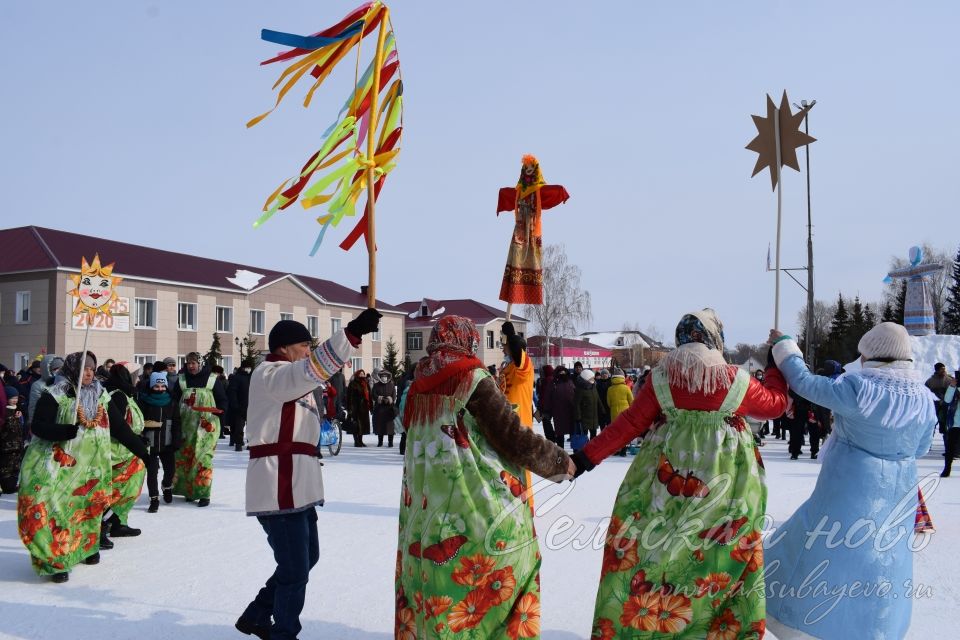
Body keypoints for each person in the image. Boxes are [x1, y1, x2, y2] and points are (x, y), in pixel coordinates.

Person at [571, 309, 787, 638]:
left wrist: (586, 457)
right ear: (715, 339)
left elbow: (629, 423)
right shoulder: (734, 380)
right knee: (719, 558)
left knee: (654, 555)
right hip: (725, 489)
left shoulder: (662, 378)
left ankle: (650, 626)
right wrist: (775, 367)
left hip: (663, 487)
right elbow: (775, 404)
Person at [395, 316, 574, 639]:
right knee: (503, 575)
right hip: (474, 508)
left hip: (425, 513)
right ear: (467, 341)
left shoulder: (414, 386)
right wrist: (560, 462)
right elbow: (512, 437)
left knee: (436, 586)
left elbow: (404, 428)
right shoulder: (471, 379)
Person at [765, 323, 936, 639]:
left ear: (871, 352)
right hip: (899, 495)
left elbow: (804, 382)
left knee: (818, 549)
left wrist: (785, 346)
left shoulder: (860, 389)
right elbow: (923, 447)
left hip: (850, 488)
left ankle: (800, 620)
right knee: (882, 564)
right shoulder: (924, 399)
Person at [236, 310, 381, 640]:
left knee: (305, 559)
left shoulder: (293, 377)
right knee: (294, 568)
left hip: (296, 484)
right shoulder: (271, 373)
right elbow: (312, 369)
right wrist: (352, 334)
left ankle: (257, 614)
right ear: (285, 348)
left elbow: (311, 381)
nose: (308, 352)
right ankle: (284, 633)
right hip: (278, 483)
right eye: (304, 345)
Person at [18, 352, 148, 583]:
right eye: (83, 369)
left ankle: (87, 548)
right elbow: (37, 426)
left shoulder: (101, 396)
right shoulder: (55, 394)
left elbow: (120, 428)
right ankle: (55, 560)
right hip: (59, 466)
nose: (88, 373)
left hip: (92, 466)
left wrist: (143, 452)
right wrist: (62, 431)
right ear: (72, 370)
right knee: (56, 509)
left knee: (88, 507)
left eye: (91, 368)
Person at [172, 352, 227, 507]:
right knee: (185, 459)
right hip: (185, 427)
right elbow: (174, 401)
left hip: (207, 427)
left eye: (194, 363)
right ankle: (189, 491)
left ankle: (203, 493)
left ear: (200, 363)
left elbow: (222, 400)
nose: (190, 366)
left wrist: (221, 413)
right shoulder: (182, 380)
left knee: (203, 459)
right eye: (188, 363)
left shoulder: (212, 379)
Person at [101, 363, 147, 538]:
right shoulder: (118, 396)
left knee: (122, 489)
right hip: (119, 451)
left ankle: (118, 522)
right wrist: (135, 440)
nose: (138, 378)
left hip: (125, 449)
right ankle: (106, 524)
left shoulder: (122, 392)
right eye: (136, 375)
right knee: (119, 489)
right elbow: (116, 427)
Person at [138, 364, 181, 512]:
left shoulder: (171, 402)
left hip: (167, 442)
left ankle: (166, 485)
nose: (160, 389)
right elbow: (139, 422)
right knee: (152, 471)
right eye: (156, 387)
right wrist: (143, 433)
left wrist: (176, 440)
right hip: (151, 443)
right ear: (151, 387)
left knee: (170, 470)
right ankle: (154, 498)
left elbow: (177, 422)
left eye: (162, 386)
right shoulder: (144, 401)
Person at [27, 355, 64, 437]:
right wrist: (32, 424)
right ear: (48, 369)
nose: (59, 371)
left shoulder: (64, 384)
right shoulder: (38, 385)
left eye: (62, 368)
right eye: (56, 369)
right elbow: (33, 406)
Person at [925, 362, 955, 451]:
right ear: (937, 370)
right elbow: (926, 393)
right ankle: (927, 446)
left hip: (946, 408)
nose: (943, 370)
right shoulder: (930, 381)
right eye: (941, 369)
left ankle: (948, 449)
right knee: (931, 427)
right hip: (934, 407)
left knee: (946, 429)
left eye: (944, 368)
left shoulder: (949, 380)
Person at [1, 385, 24, 494]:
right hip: (6, 447)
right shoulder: (4, 412)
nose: (15, 400)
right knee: (6, 468)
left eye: (16, 398)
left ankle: (11, 486)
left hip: (17, 446)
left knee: (15, 467)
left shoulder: (18, 411)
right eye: (12, 398)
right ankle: (6, 486)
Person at [606, 368, 633, 456]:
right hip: (625, 414)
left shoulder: (610, 389)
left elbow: (608, 403)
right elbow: (632, 401)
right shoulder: (626, 388)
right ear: (623, 377)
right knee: (624, 433)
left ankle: (616, 450)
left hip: (613, 413)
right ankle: (623, 451)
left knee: (616, 433)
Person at [228, 359, 253, 452]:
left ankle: (251, 443)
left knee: (252, 427)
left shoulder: (253, 376)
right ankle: (238, 444)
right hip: (240, 406)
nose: (248, 369)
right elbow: (232, 392)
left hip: (252, 406)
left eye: (249, 367)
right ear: (242, 367)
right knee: (239, 427)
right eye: (247, 367)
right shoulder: (237, 377)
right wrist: (235, 405)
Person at [550, 366, 576, 449]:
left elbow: (575, 394)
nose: (562, 374)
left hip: (570, 411)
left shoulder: (570, 382)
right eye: (560, 372)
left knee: (573, 432)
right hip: (558, 412)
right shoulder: (553, 383)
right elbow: (548, 397)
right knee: (560, 433)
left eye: (564, 372)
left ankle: (575, 451)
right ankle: (560, 451)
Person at [371, 369, 397, 447]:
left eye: (385, 376)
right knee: (380, 426)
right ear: (380, 377)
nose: (384, 378)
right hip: (379, 409)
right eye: (382, 376)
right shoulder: (376, 385)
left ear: (388, 377)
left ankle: (390, 442)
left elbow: (394, 395)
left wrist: (390, 399)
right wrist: (380, 398)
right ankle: (380, 442)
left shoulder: (391, 385)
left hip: (389, 409)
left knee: (390, 426)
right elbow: (373, 395)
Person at [346, 369, 372, 447]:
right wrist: (349, 408)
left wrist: (371, 406)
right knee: (356, 425)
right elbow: (349, 396)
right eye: (360, 374)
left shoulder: (366, 383)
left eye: (363, 374)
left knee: (363, 425)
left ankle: (360, 441)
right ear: (357, 375)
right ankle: (356, 441)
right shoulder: (353, 384)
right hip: (355, 407)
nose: (362, 375)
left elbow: (369, 395)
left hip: (364, 408)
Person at [573, 369, 600, 440]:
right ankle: (584, 450)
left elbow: (598, 400)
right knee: (583, 436)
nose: (593, 379)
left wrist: (602, 410)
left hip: (594, 417)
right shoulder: (580, 389)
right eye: (591, 378)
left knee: (593, 436)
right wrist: (578, 417)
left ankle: (592, 450)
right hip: (584, 418)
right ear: (586, 378)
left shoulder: (593, 387)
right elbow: (577, 404)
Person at [535, 365, 556, 445]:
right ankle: (551, 438)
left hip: (546, 406)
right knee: (546, 421)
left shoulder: (547, 380)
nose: (540, 374)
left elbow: (545, 395)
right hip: (548, 405)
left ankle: (551, 439)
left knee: (546, 422)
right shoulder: (549, 379)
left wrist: (541, 406)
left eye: (542, 372)